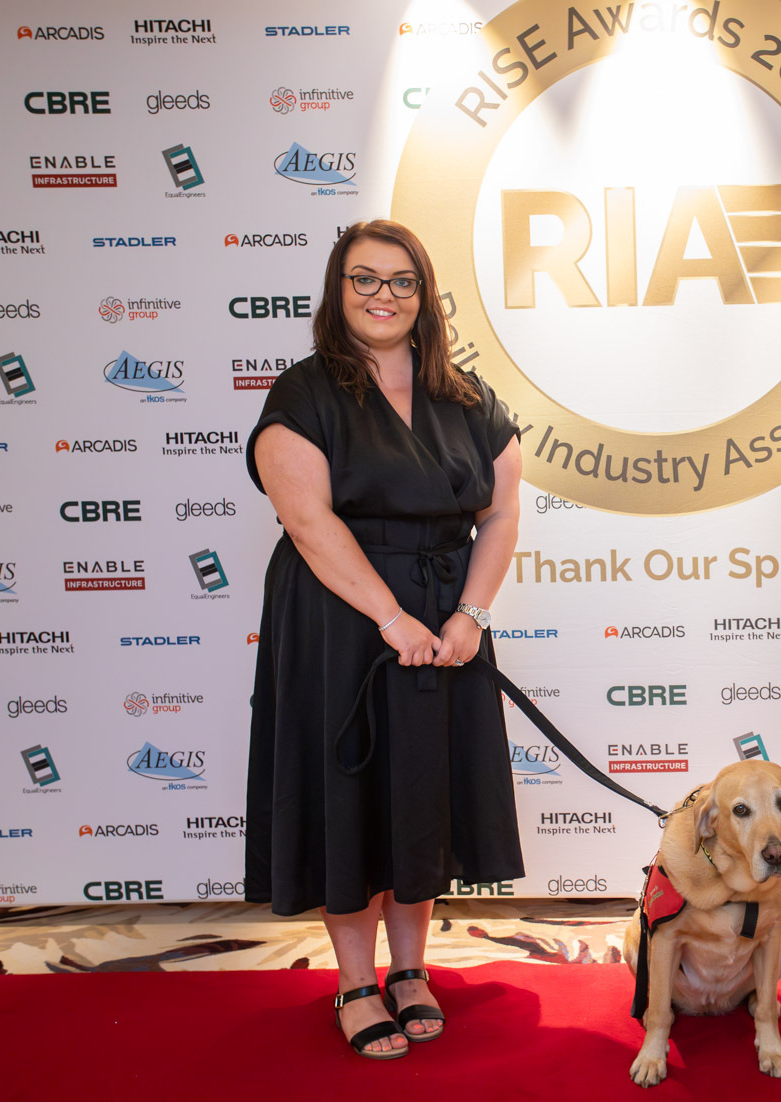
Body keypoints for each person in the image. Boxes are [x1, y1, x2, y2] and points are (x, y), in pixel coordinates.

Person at [245, 219, 525, 1059]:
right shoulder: (302, 393)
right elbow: (305, 518)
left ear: (424, 295)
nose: (383, 295)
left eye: (401, 281)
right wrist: (391, 619)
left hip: (445, 623)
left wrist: (467, 617)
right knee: (349, 797)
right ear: (337, 292)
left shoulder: (466, 395)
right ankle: (356, 983)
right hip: (340, 623)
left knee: (421, 795)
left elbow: (503, 508)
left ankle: (412, 971)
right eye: (364, 279)